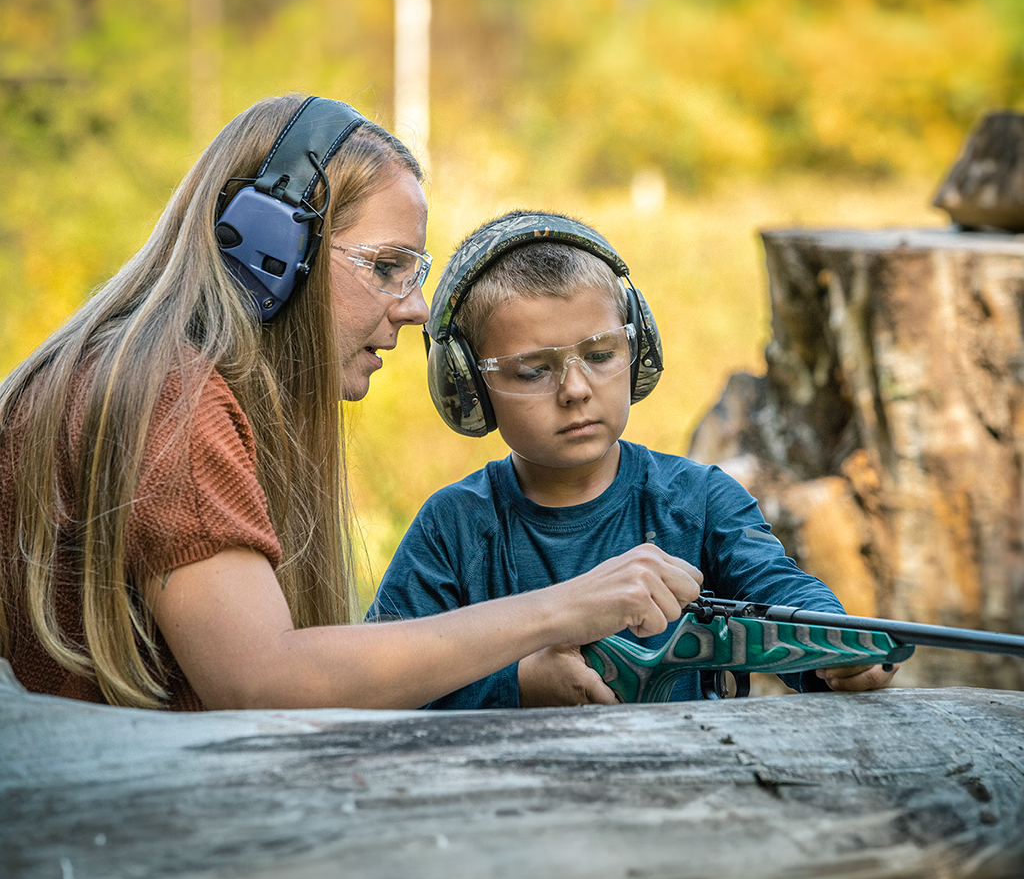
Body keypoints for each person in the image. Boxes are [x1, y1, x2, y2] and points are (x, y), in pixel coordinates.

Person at [0, 95, 704, 711]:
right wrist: (564, 606)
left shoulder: (147, 373)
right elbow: (262, 683)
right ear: (268, 249)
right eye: (388, 267)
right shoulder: (167, 400)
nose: (417, 309)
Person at [369, 211, 899, 708]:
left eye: (600, 356)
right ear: (468, 386)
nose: (576, 389)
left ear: (637, 349)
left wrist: (834, 648)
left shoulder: (704, 501)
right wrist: (517, 686)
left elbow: (779, 595)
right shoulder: (452, 528)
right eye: (533, 370)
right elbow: (380, 678)